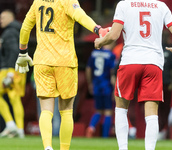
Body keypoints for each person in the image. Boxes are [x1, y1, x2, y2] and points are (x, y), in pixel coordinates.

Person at [15, 0, 108, 150]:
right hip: (65, 61)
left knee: (46, 110)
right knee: (66, 111)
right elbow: (80, 16)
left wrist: (23, 52)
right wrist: (97, 29)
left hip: (42, 61)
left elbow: (25, 27)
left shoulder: (38, 1)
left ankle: (47, 146)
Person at [94, 0, 172, 150]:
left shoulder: (124, 4)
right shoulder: (161, 6)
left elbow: (114, 35)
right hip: (153, 64)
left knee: (121, 108)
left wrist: (100, 42)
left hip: (130, 61)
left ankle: (123, 148)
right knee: (152, 113)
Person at [0, 9, 26, 138]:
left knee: (11, 98)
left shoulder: (9, 32)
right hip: (19, 69)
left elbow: (14, 52)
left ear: (10, 18)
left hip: (10, 69)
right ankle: (19, 129)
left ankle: (11, 124)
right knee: (15, 99)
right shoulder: (18, 31)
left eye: (3, 18)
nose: (1, 21)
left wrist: (10, 72)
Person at [85, 43, 116, 138]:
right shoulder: (111, 55)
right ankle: (105, 136)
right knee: (108, 112)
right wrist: (115, 89)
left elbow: (88, 69)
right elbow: (112, 74)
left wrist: (90, 83)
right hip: (106, 86)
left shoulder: (94, 53)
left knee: (98, 110)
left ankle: (91, 127)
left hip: (96, 85)